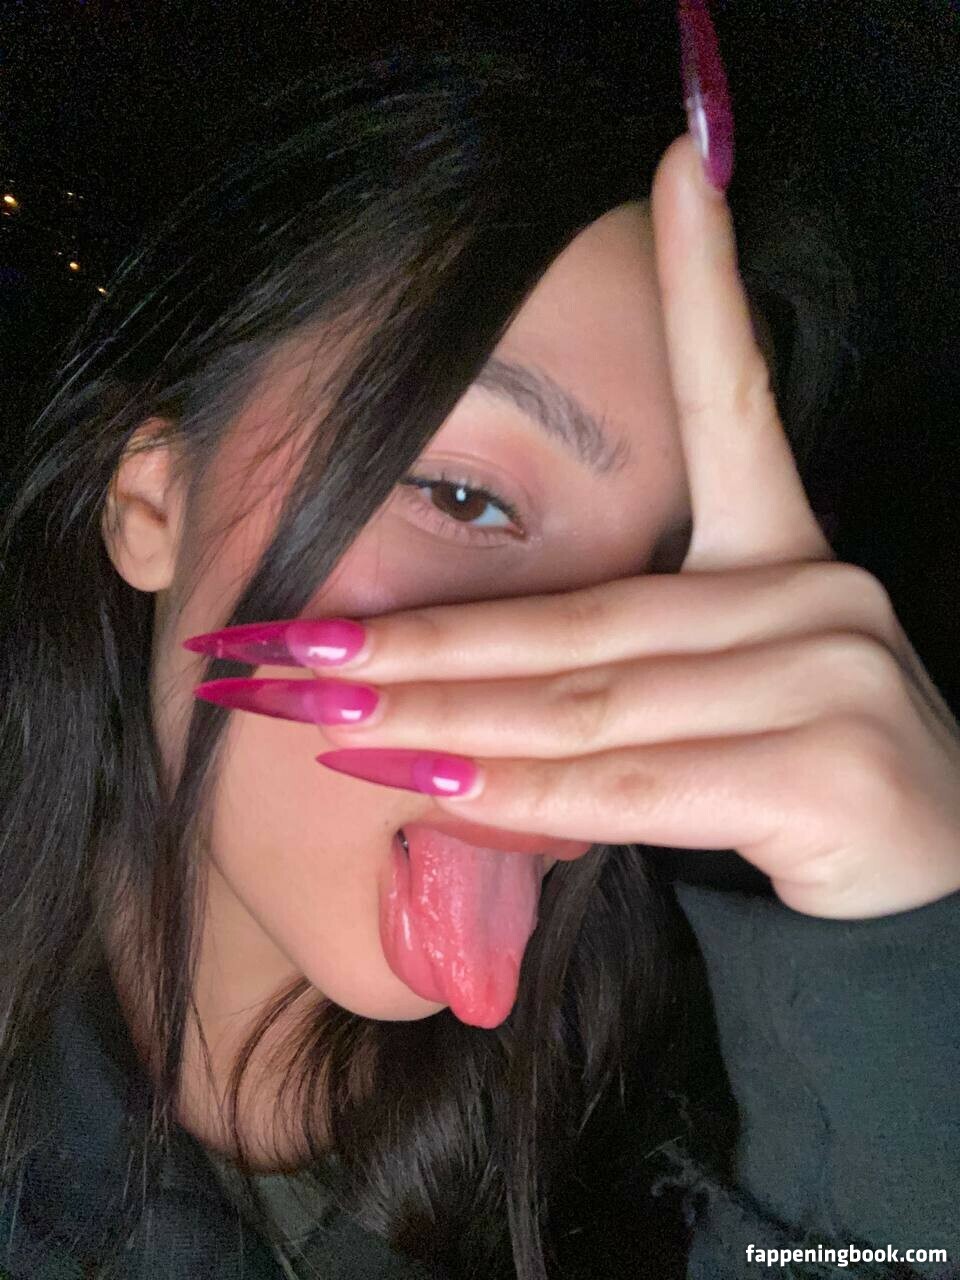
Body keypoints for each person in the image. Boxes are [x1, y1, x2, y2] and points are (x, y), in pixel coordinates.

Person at [1, 18, 958, 1280]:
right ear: (151, 499)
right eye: (465, 498)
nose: (584, 686)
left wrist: (903, 1010)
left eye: (664, 581)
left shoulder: (726, 1104)